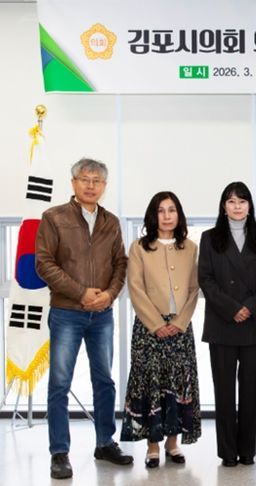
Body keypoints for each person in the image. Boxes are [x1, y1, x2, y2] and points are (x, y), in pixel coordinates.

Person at [35, 158, 131, 480]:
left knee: (104, 381)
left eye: (97, 181)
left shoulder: (111, 222)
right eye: (85, 179)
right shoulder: (54, 217)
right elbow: (44, 263)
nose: (91, 185)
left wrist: (109, 294)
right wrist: (80, 293)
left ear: (104, 186)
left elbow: (120, 263)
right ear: (73, 183)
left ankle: (105, 443)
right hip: (66, 313)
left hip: (102, 314)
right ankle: (59, 452)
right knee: (59, 383)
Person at [120, 191, 201, 467]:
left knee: (177, 383)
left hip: (180, 329)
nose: (167, 216)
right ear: (153, 216)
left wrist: (179, 322)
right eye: (161, 211)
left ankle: (172, 444)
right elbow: (136, 289)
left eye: (172, 210)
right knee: (150, 384)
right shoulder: (139, 248)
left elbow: (194, 288)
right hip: (148, 330)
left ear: (179, 215)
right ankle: (152, 446)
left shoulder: (190, 248)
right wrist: (156, 324)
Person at [198, 182, 256, 467]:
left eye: (242, 201)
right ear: (224, 206)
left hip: (252, 323)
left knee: (250, 391)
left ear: (249, 206)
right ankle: (228, 452)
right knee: (224, 391)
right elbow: (205, 279)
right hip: (221, 323)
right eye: (231, 201)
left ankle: (247, 450)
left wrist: (249, 308)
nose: (237, 206)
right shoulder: (209, 238)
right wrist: (233, 309)